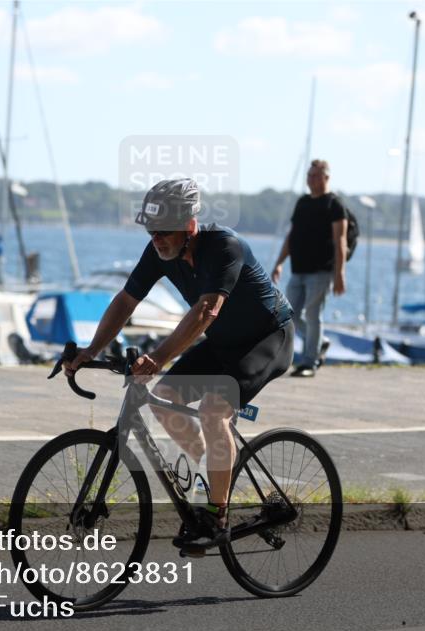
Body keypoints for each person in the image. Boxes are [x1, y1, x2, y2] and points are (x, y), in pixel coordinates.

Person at [65, 178, 294, 552]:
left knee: (213, 411)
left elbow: (206, 311)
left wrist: (158, 357)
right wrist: (91, 350)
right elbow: (126, 301)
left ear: (189, 225)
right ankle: (215, 475)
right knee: (162, 398)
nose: (157, 240)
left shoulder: (224, 246)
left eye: (164, 232)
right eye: (151, 231)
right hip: (222, 342)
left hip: (267, 338)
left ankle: (216, 515)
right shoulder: (159, 251)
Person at [271, 159, 347, 377]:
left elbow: (340, 240)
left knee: (314, 315)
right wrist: (279, 263)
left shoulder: (334, 205)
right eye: (309, 175)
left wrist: (339, 273)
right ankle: (320, 342)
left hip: (322, 271)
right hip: (298, 269)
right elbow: (291, 236)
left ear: (326, 177)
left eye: (315, 176)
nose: (311, 180)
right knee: (289, 315)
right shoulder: (302, 202)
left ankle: (309, 363)